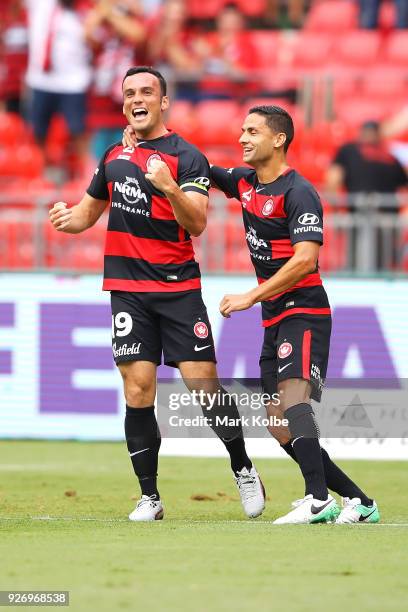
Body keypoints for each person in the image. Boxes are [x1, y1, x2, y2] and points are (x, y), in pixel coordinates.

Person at [49, 66, 265, 522]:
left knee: (203, 387)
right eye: (130, 92)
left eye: (147, 91)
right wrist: (66, 217)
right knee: (138, 387)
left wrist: (166, 186)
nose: (137, 98)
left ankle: (243, 468)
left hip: (178, 289)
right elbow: (88, 215)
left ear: (163, 102)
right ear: (124, 102)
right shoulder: (113, 154)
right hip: (127, 290)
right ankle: (150, 496)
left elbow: (198, 223)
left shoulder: (186, 157)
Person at [210, 105, 379, 524]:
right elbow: (197, 165)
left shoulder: (299, 191)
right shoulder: (245, 183)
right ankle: (361, 502)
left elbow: (305, 260)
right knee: (278, 423)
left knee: (292, 399)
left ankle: (317, 497)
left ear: (278, 139)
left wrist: (251, 295)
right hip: (273, 318)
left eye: (252, 131)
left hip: (304, 310)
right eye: (242, 131)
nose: (243, 138)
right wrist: (148, 141)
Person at [326, 120, 407, 269]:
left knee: (361, 264)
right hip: (379, 218)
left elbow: (333, 179)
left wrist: (335, 208)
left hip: (366, 215)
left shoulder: (351, 150)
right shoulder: (390, 155)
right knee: (380, 264)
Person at [25, 0, 92, 178]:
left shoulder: (84, 10)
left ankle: (87, 176)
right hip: (41, 79)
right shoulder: (39, 4)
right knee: (38, 130)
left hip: (74, 81)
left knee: (78, 130)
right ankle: (43, 171)